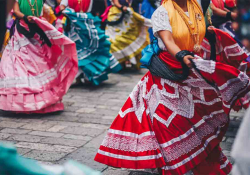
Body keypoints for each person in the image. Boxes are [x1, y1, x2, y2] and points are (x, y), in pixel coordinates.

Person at [95, 0, 250, 174]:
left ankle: (191, 158)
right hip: (167, 74)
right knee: (168, 121)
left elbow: (193, 30)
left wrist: (208, 32)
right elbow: (168, 40)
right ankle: (171, 163)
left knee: (197, 119)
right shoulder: (161, 12)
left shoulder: (195, 6)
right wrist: (181, 54)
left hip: (191, 71)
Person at [0, 0, 78, 113]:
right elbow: (15, 11)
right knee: (18, 62)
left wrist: (61, 7)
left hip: (37, 31)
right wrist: (26, 17)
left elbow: (52, 8)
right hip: (21, 32)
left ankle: (43, 101)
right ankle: (21, 103)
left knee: (40, 62)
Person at [60, 0, 122, 86]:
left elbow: (98, 7)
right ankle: (78, 78)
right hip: (72, 27)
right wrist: (66, 12)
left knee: (92, 48)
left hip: (87, 25)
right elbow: (62, 6)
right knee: (74, 51)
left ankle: (89, 76)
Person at [105, 0, 152, 70]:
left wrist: (126, 8)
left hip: (127, 14)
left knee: (130, 38)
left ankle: (129, 61)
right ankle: (120, 63)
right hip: (117, 15)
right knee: (116, 41)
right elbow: (116, 2)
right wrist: (122, 7)